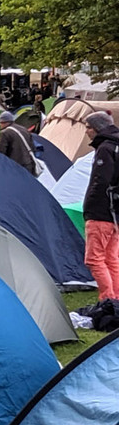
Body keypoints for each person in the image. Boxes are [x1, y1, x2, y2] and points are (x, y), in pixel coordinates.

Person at [83, 112, 119, 302]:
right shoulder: (116, 145)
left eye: (88, 127)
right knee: (111, 258)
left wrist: (90, 206)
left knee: (94, 258)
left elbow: (101, 180)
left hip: (101, 211)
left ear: (97, 128)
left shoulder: (105, 149)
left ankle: (107, 299)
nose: (86, 131)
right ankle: (116, 298)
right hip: (115, 213)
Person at [0, 110, 38, 175]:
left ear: (3, 122)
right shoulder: (23, 129)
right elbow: (33, 147)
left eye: (0, 123)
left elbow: (1, 152)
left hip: (16, 165)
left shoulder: (5, 133)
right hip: (30, 162)